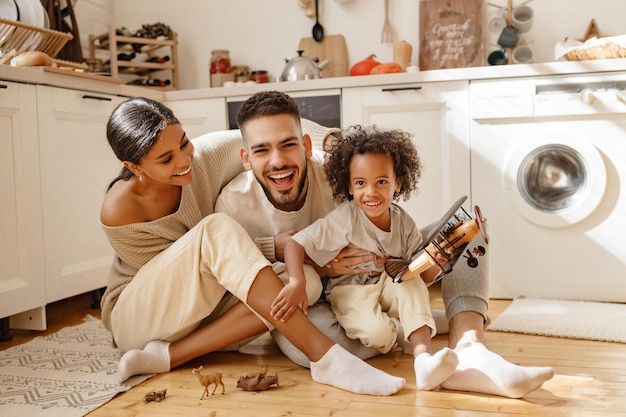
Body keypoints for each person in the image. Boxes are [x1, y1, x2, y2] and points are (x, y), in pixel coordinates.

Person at [215, 90, 555, 398]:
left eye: (288, 144)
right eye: (262, 150)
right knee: (316, 348)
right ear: (246, 158)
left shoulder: (337, 173)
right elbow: (236, 275)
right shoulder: (233, 205)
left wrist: (429, 260)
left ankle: (470, 349)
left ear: (306, 144)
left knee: (466, 232)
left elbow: (394, 242)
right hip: (319, 297)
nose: (277, 161)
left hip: (381, 274)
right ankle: (419, 325)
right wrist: (314, 265)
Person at [98, 96, 406, 396]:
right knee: (218, 229)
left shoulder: (207, 155)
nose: (183, 160)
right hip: (141, 316)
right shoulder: (120, 209)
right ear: (135, 167)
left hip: (204, 310)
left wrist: (334, 144)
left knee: (301, 284)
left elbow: (277, 130)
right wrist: (270, 247)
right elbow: (180, 274)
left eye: (183, 142)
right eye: (166, 159)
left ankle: (170, 356)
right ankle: (326, 358)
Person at [275, 125, 460, 390]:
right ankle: (409, 326)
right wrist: (296, 282)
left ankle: (423, 359)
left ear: (398, 183)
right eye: (361, 183)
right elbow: (295, 244)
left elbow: (423, 276)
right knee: (379, 334)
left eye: (381, 182)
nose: (370, 192)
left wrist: (438, 263)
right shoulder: (344, 219)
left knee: (409, 279)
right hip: (349, 291)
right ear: (349, 186)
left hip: (387, 286)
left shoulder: (404, 222)